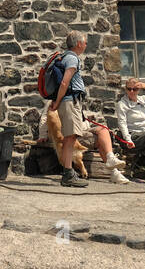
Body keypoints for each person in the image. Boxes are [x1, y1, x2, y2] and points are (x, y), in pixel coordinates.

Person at [49, 32, 126, 187]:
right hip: (70, 101)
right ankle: (68, 174)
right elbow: (65, 83)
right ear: (78, 44)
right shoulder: (72, 58)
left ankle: (68, 173)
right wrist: (57, 103)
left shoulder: (67, 57)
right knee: (70, 138)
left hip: (70, 101)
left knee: (70, 138)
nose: (85, 45)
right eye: (84, 43)